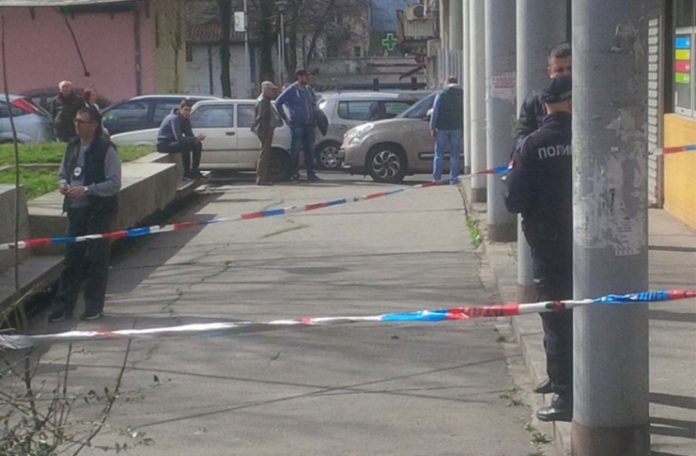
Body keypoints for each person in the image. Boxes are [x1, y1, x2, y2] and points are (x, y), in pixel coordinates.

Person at [503, 75, 573, 422]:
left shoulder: (532, 145)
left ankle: (565, 394)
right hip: (586, 243)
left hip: (547, 242)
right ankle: (567, 380)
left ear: (545, 106)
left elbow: (513, 200)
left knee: (555, 314)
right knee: (586, 310)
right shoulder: (588, 137)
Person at [48, 106, 122, 322]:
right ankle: (63, 307)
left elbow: (114, 183)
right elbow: (63, 173)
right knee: (72, 258)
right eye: (76, 121)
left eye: (82, 122)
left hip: (98, 212)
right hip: (76, 211)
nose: (77, 125)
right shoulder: (72, 146)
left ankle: (93, 306)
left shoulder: (106, 149)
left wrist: (88, 190)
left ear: (94, 125)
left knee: (96, 259)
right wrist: (64, 185)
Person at [514, 42, 572, 147]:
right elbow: (521, 142)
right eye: (559, 70)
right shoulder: (534, 103)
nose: (566, 74)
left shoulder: (591, 99)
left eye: (570, 68)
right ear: (550, 72)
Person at [274, 69, 320, 182]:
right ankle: (294, 173)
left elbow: (314, 104)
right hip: (297, 124)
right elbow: (278, 103)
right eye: (304, 76)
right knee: (295, 149)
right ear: (298, 77)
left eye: (307, 76)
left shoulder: (309, 89)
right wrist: (285, 118)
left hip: (310, 124)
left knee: (310, 150)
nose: (306, 78)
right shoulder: (291, 90)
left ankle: (311, 174)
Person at [156, 99, 206, 179]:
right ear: (180, 109)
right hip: (164, 144)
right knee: (185, 145)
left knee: (197, 144)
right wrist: (194, 139)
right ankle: (187, 172)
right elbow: (178, 138)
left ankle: (195, 170)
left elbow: (189, 135)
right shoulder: (174, 118)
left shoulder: (186, 119)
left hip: (174, 142)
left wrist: (196, 140)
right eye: (185, 110)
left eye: (189, 110)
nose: (187, 112)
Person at [429, 76, 463, 184]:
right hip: (457, 126)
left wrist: (432, 126)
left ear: (447, 82)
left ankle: (436, 178)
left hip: (442, 127)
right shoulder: (462, 94)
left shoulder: (441, 94)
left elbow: (435, 111)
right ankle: (454, 178)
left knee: (439, 153)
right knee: (455, 153)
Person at [253, 81, 279, 185]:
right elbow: (261, 118)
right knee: (264, 155)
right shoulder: (263, 101)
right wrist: (265, 131)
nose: (273, 93)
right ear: (266, 90)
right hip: (265, 131)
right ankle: (261, 178)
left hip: (266, 130)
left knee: (265, 154)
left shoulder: (265, 101)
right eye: (272, 90)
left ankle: (264, 177)